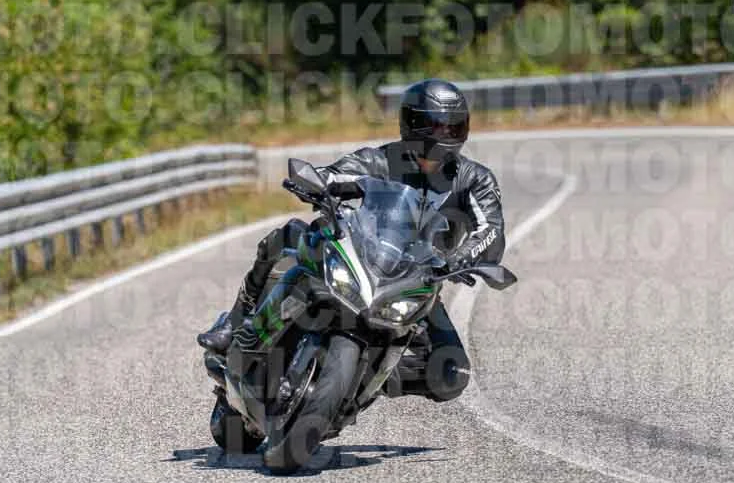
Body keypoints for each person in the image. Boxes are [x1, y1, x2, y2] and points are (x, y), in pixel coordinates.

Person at [197, 78, 505, 402]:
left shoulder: (475, 179)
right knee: (290, 233)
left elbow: (491, 229)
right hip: (357, 259)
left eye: (454, 127)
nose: (445, 134)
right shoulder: (380, 160)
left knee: (451, 373)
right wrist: (319, 182)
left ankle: (359, 376)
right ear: (412, 123)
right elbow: (337, 172)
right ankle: (236, 323)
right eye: (436, 125)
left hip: (416, 284)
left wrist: (461, 257)